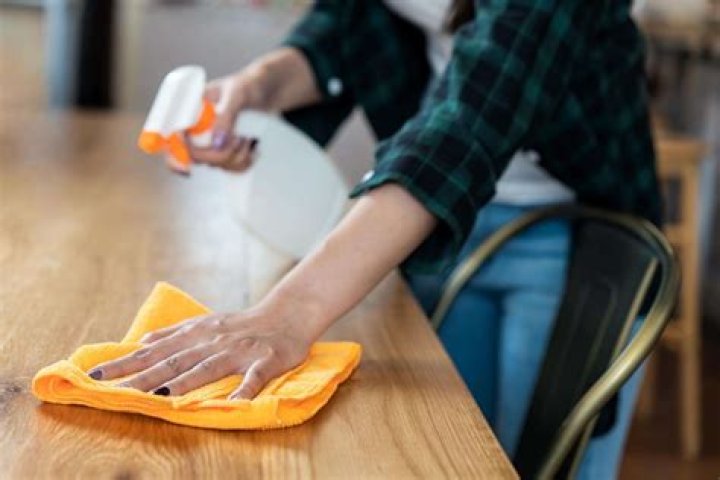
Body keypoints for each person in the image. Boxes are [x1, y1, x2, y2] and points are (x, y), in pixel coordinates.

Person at [87, 0, 661, 477]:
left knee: (552, 463)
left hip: (575, 237)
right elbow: (346, 23)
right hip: (447, 234)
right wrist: (258, 88)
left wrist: (288, 312)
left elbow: (465, 126)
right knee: (454, 458)